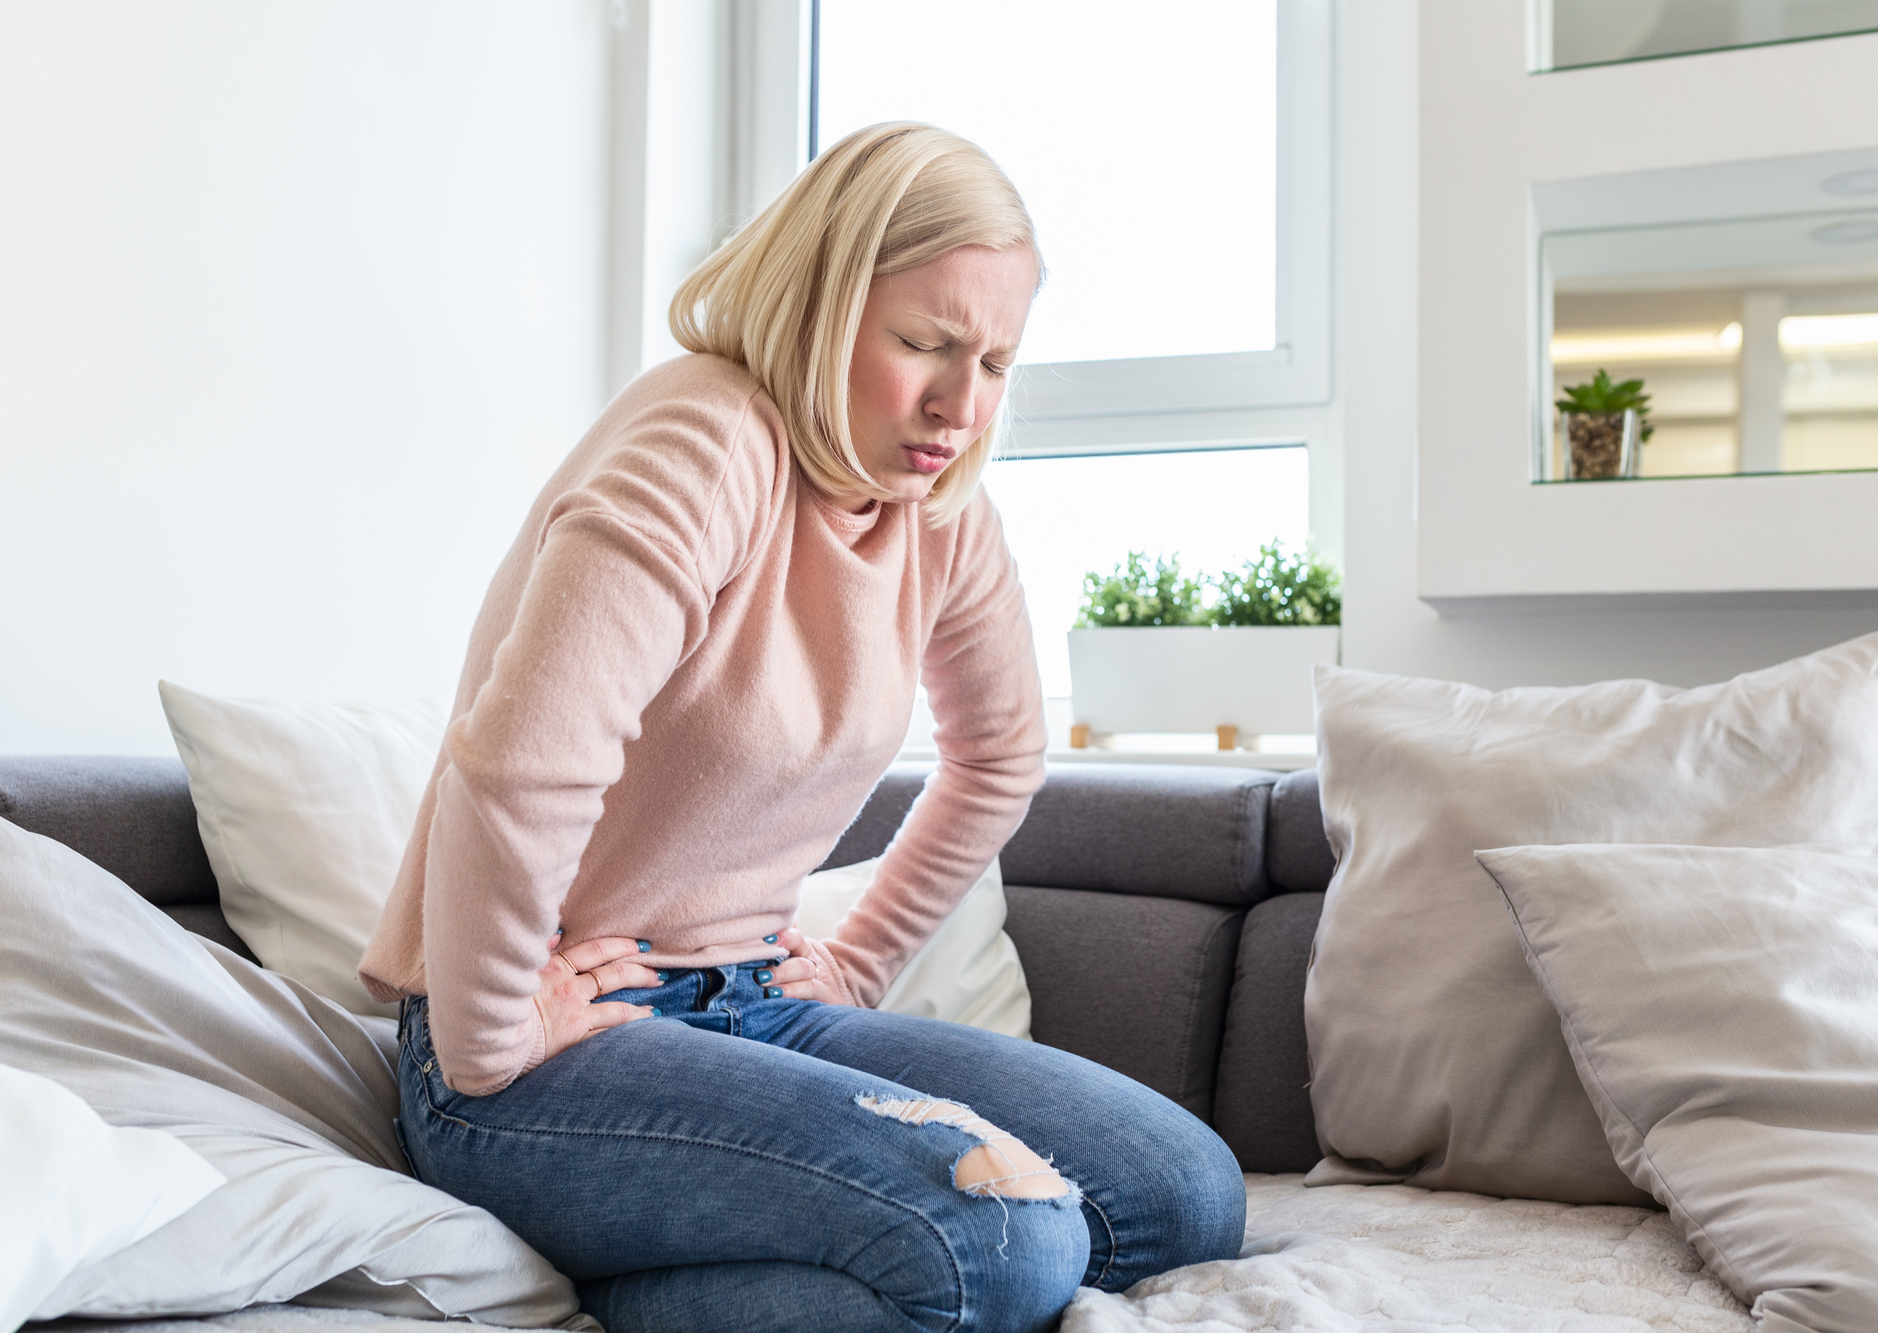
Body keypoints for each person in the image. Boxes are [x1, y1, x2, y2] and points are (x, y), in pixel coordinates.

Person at [358, 122, 1246, 1333]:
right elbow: (521, 763)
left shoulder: (938, 506)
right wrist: (494, 1031)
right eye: (926, 343)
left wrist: (859, 958)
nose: (960, 403)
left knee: (1180, 1195)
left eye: (995, 361)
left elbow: (999, 756)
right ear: (820, 303)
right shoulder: (703, 438)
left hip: (756, 998)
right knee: (1005, 1243)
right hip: (547, 1041)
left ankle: (663, 1277)